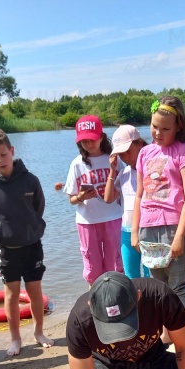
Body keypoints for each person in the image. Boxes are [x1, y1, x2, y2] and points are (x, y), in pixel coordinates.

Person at [0, 128, 53, 356]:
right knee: (11, 295)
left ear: (12, 151)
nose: (0, 160)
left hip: (32, 247)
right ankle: (15, 339)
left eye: (3, 154)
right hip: (8, 250)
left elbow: (38, 208)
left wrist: (32, 228)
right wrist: (4, 233)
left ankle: (39, 332)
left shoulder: (31, 180)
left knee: (35, 291)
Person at [132, 96, 185, 326]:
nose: (157, 133)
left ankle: (182, 338)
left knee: (179, 284)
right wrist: (134, 231)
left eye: (165, 128)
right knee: (157, 286)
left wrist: (181, 236)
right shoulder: (144, 153)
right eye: (154, 126)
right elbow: (139, 194)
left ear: (178, 126)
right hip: (147, 228)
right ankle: (165, 333)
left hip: (174, 226)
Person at [64, 115, 123, 285]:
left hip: (113, 217)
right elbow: (72, 199)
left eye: (93, 139)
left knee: (115, 263)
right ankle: (95, 298)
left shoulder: (113, 159)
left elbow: (125, 186)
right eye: (84, 141)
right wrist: (81, 197)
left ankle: (116, 297)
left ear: (102, 137)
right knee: (92, 266)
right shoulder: (77, 164)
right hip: (87, 221)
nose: (89, 144)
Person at [104, 125, 149, 279]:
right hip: (127, 232)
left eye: (128, 151)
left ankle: (152, 303)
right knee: (131, 277)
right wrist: (112, 170)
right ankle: (136, 304)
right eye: (120, 154)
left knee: (151, 276)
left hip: (148, 230)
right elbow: (108, 198)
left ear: (140, 144)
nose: (125, 157)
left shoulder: (151, 170)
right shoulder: (123, 174)